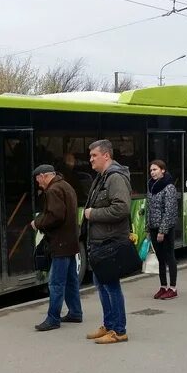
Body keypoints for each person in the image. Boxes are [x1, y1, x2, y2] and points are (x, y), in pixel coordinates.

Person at [82, 139, 132, 344]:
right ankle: (109, 325)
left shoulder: (115, 178)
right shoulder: (102, 178)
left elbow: (122, 208)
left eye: (94, 155)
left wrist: (93, 213)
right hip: (100, 242)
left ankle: (119, 330)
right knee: (101, 285)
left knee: (111, 286)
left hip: (109, 241)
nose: (90, 159)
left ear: (106, 156)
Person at [31, 164, 83, 331]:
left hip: (60, 242)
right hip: (70, 241)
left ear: (44, 176)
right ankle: (75, 312)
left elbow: (55, 216)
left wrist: (37, 222)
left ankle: (53, 318)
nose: (38, 184)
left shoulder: (53, 190)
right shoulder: (66, 186)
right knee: (71, 280)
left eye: (38, 180)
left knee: (56, 283)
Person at [146, 159, 178, 300]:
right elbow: (149, 209)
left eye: (155, 169)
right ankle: (163, 286)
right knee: (160, 258)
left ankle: (173, 287)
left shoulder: (169, 187)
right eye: (151, 170)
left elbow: (169, 211)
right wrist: (148, 228)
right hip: (153, 227)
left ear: (163, 170)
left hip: (165, 229)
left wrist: (162, 231)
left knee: (169, 257)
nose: (153, 172)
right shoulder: (151, 185)